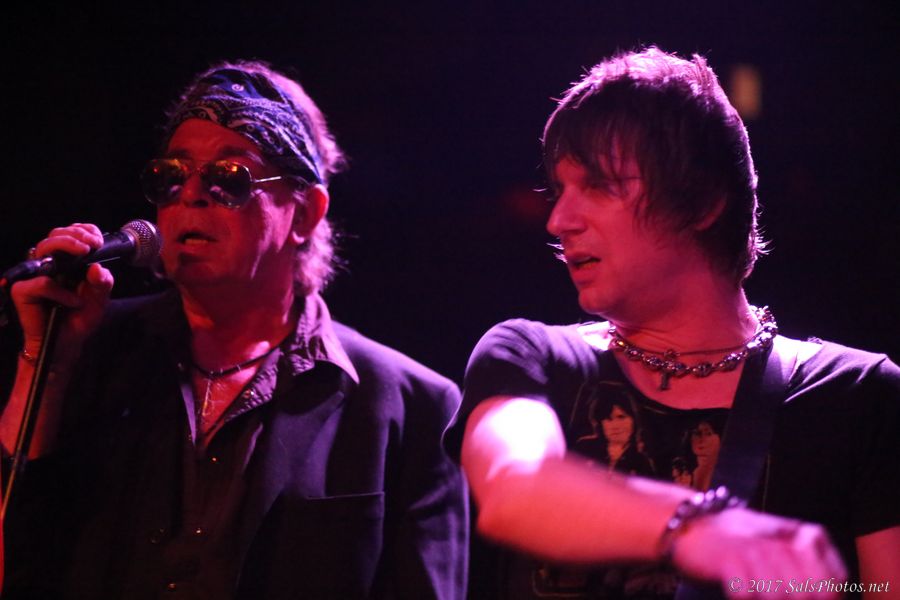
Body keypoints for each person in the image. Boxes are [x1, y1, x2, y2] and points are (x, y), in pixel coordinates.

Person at [0, 60, 467, 599]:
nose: (191, 194)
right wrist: (46, 363)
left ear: (304, 214)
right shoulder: (83, 348)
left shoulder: (413, 408)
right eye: (171, 175)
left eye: (229, 177)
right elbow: (17, 550)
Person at [452, 47, 899, 599]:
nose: (559, 220)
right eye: (560, 190)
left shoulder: (859, 396)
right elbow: (514, 486)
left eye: (598, 186)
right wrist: (700, 527)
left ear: (702, 202)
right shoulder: (528, 355)